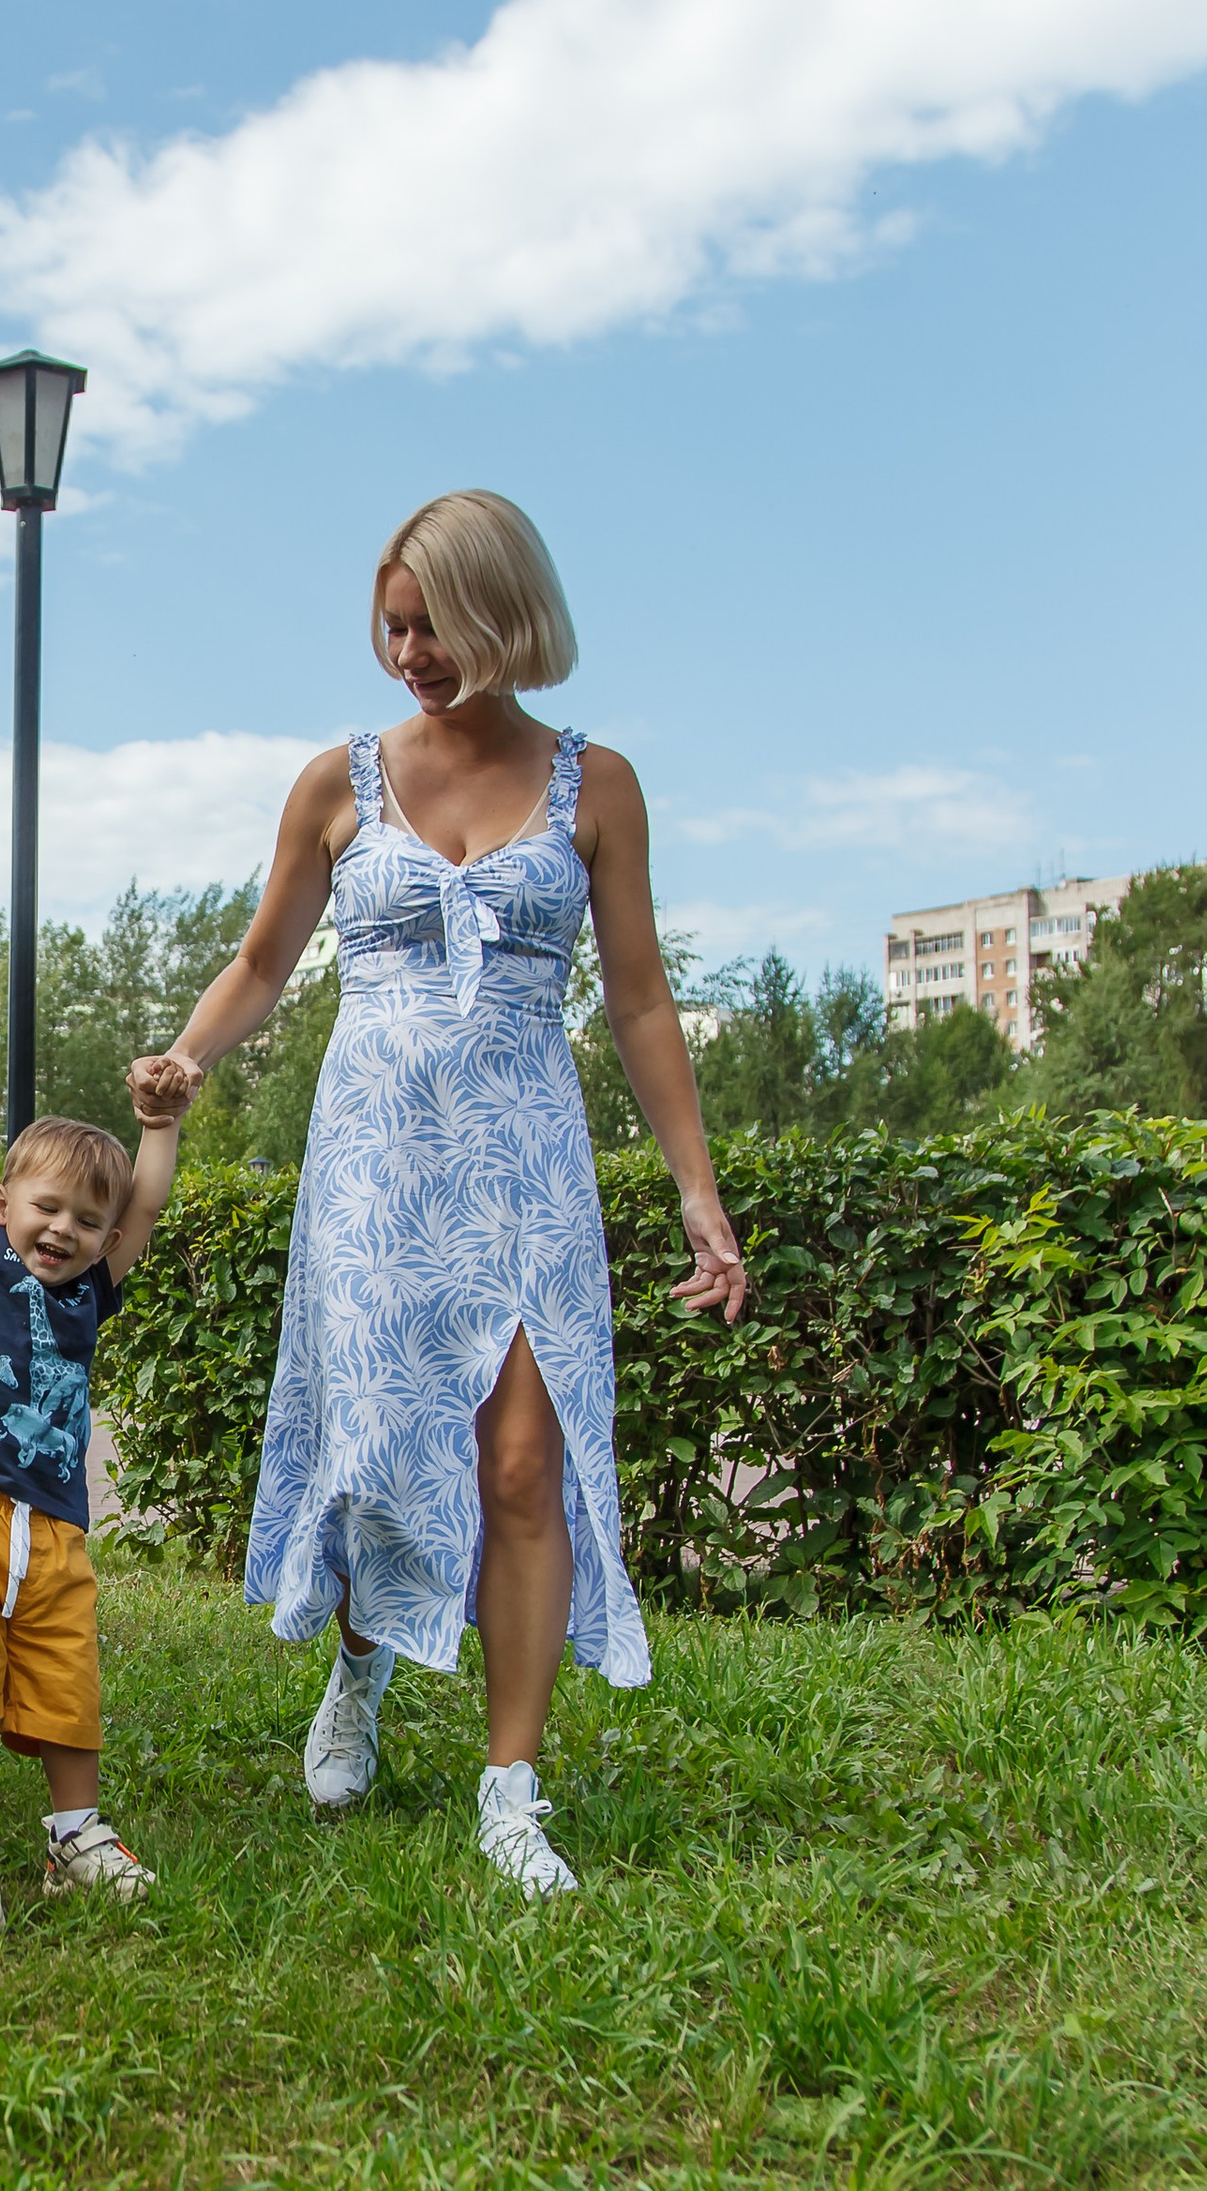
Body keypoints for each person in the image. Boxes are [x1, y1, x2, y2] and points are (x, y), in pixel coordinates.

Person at [128, 488, 746, 1899]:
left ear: (507, 616)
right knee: (373, 1452)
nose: (406, 650)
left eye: (433, 625)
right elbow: (264, 963)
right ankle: (357, 1672)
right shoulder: (336, 779)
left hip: (524, 1167)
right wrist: (186, 1056)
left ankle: (510, 1790)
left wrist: (699, 1196)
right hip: (373, 1167)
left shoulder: (601, 786)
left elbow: (643, 1005)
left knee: (525, 1466)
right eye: (391, 624)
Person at [0, 1016, 180, 1933]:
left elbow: (148, 1208)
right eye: (47, 1208)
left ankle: (75, 1833)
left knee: (66, 1677)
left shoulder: (93, 1290)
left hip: (54, 1529)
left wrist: (160, 1127)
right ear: (3, 1201)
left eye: (89, 1222)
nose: (66, 1230)